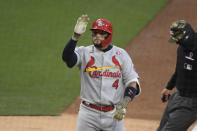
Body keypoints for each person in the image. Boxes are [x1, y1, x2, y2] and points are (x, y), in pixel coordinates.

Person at [62, 14, 140, 131]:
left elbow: (132, 82)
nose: (96, 36)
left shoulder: (121, 55)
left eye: (101, 33)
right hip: (88, 114)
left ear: (108, 35)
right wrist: (75, 37)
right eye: (94, 33)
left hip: (113, 114)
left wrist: (124, 104)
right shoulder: (84, 52)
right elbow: (68, 58)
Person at [157, 20, 197, 131]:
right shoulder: (182, 48)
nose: (177, 43)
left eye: (178, 39)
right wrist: (169, 87)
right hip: (177, 96)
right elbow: (179, 69)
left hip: (191, 103)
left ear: (186, 35)